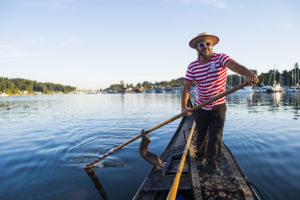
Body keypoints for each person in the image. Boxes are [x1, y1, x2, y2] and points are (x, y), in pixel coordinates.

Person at [181, 32, 259, 174]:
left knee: (215, 135)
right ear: (197, 49)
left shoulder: (220, 58)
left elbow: (234, 66)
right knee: (202, 133)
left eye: (208, 43)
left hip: (218, 105)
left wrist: (247, 73)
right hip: (200, 105)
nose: (205, 46)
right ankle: (200, 157)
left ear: (211, 46)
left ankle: (212, 163)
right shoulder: (192, 66)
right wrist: (184, 107)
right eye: (201, 44)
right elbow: (186, 88)